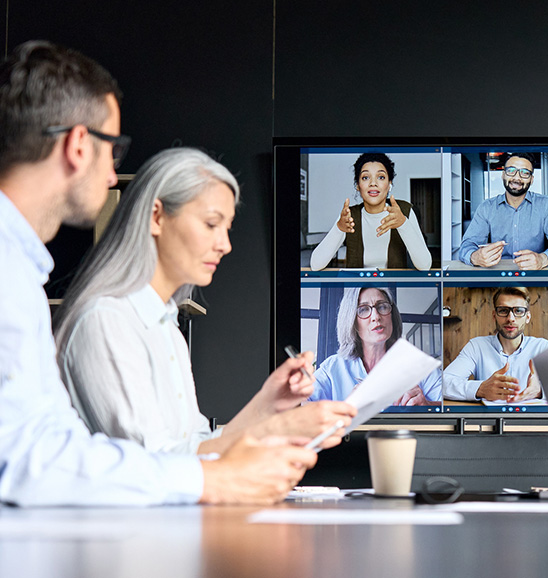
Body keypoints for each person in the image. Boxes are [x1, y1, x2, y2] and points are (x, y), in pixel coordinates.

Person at [0, 40, 322, 506]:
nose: (113, 176)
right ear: (77, 145)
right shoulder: (66, 299)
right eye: (113, 150)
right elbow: (32, 457)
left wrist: (266, 413)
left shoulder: (27, 272)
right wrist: (218, 477)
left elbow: (63, 444)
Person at [54, 147, 356, 454]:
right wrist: (279, 429)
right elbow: (154, 465)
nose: (225, 245)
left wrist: (269, 403)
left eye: (227, 228)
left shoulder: (167, 328)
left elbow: (196, 447)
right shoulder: (106, 320)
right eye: (212, 224)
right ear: (156, 216)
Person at [444, 287, 548, 402]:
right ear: (494, 316)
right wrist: (481, 389)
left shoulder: (541, 347)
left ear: (527, 317)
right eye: (503, 310)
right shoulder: (476, 346)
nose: (510, 318)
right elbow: (443, 383)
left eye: (518, 311)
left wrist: (540, 390)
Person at [307, 286, 442, 405]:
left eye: (382, 306)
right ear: (351, 321)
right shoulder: (333, 367)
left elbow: (450, 408)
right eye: (363, 309)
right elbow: (299, 405)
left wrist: (427, 405)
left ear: (392, 315)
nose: (376, 316)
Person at [309, 152, 432, 270]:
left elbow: (425, 265)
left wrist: (403, 224)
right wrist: (339, 228)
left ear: (389, 184)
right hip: (358, 290)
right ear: (357, 185)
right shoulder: (349, 215)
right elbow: (315, 265)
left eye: (381, 177)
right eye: (366, 177)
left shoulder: (404, 211)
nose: (373, 183)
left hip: (395, 289)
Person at [457, 152, 548, 270]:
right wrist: (475, 257)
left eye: (525, 173)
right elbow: (467, 245)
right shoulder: (486, 207)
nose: (517, 178)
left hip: (535, 275)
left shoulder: (547, 205)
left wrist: (542, 259)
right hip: (497, 277)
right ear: (503, 174)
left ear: (531, 179)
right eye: (511, 170)